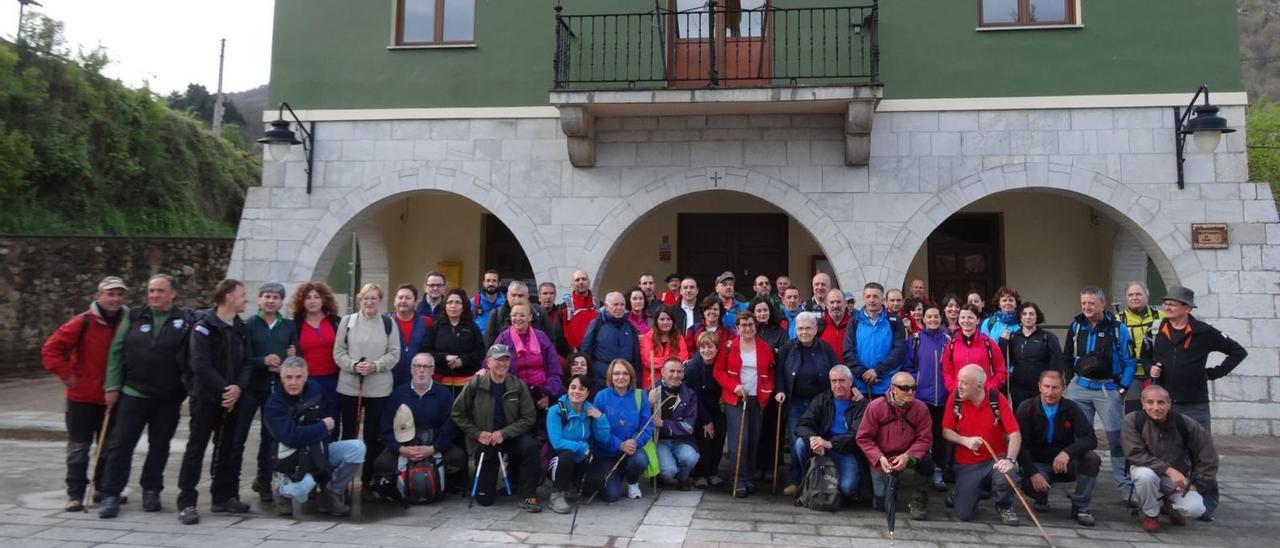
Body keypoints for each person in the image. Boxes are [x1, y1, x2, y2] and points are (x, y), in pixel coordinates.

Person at [1147, 285, 1245, 521]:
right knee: (1168, 451)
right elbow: (1146, 353)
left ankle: (1207, 503)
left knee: (1201, 452)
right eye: (1166, 303)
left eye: (1172, 303)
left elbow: (1237, 352)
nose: (1167, 307)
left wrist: (1213, 373)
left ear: (1187, 308)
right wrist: (1152, 367)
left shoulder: (1204, 332)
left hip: (1194, 402)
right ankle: (1170, 499)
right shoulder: (1158, 329)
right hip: (1167, 403)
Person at [98, 275, 192, 519]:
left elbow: (191, 358)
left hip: (168, 397)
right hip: (133, 392)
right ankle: (111, 494)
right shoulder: (134, 316)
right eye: (151, 291)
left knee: (159, 446)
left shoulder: (184, 320)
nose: (154, 295)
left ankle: (151, 490)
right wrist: (111, 386)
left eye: (160, 291)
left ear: (172, 294)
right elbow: (116, 351)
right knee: (120, 445)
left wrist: (183, 388)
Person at [42, 276, 128, 512]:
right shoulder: (83, 322)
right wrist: (67, 375)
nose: (115, 299)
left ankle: (103, 488)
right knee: (79, 447)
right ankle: (75, 494)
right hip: (81, 397)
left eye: (119, 294)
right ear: (99, 296)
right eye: (110, 294)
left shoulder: (127, 321)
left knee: (108, 446)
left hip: (112, 396)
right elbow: (51, 349)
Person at [177, 279, 253, 525]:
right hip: (207, 399)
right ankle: (187, 502)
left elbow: (248, 362)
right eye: (242, 294)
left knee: (228, 448)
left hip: (233, 400)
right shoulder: (203, 327)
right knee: (196, 449)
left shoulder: (241, 327)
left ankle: (223, 497)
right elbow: (200, 365)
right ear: (229, 296)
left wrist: (238, 388)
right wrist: (225, 390)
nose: (246, 299)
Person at [264, 356, 365, 517]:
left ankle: (331, 493)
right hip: (291, 458)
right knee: (305, 486)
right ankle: (282, 490)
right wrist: (322, 427)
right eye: (288, 377)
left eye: (298, 377)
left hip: (318, 449)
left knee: (357, 448)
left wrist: (323, 435)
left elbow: (329, 414)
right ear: (281, 378)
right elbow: (292, 437)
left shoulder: (315, 389)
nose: (293, 382)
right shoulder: (274, 404)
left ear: (306, 377)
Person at [1063, 286, 1137, 499]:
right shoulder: (1076, 326)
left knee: (1116, 438)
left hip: (1108, 389)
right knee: (1079, 437)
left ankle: (1125, 486)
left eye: (1091, 303)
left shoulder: (1118, 329)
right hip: (1080, 388)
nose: (1086, 307)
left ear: (1102, 304)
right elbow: (1067, 356)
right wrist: (1069, 382)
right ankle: (1080, 482)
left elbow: (1130, 361)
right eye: (1083, 303)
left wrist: (1123, 387)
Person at [451, 345, 542, 512]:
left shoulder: (517, 385)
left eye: (506, 359)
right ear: (488, 362)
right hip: (486, 441)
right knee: (485, 500)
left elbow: (529, 418)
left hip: (511, 437)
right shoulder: (475, 384)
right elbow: (457, 413)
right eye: (498, 359)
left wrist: (505, 433)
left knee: (530, 446)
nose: (502, 363)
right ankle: (494, 486)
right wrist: (477, 434)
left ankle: (528, 495)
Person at [1122, 385, 1218, 533]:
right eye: (1150, 402)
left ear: (1169, 404)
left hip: (1177, 479)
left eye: (1161, 402)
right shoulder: (1133, 420)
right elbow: (1135, 453)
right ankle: (1151, 514)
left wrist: (1196, 483)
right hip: (1146, 470)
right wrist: (1168, 469)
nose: (1156, 407)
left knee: (1196, 509)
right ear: (1142, 403)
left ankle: (1171, 507)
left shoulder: (1185, 423)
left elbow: (1208, 455)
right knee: (1145, 476)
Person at [333, 282, 400, 490]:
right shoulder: (348, 322)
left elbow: (394, 353)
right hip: (350, 387)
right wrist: (354, 365)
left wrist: (375, 366)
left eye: (374, 298)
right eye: (365, 298)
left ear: (380, 301)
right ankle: (342, 481)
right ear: (359, 300)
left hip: (378, 388)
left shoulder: (388, 323)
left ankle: (368, 480)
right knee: (349, 434)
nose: (369, 302)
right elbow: (338, 352)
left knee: (373, 435)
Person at [373, 353, 466, 502]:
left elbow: (449, 427)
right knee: (381, 463)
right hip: (405, 445)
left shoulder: (443, 394)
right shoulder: (398, 394)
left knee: (458, 457)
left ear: (432, 370)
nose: (421, 370)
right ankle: (398, 486)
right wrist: (400, 449)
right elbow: (386, 426)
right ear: (411, 369)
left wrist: (433, 448)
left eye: (426, 367)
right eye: (418, 366)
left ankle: (437, 481)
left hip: (432, 444)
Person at [1014, 370, 1099, 526]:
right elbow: (1020, 445)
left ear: (1063, 388)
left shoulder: (1072, 408)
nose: (1050, 392)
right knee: (1034, 485)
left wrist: (1067, 453)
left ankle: (1081, 507)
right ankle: (1041, 496)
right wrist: (1032, 473)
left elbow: (1090, 438)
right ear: (1039, 386)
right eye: (1046, 386)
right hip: (1037, 463)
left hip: (1064, 464)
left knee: (1092, 458)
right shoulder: (1026, 408)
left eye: (1055, 388)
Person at [942, 364, 1022, 525]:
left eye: (964, 382)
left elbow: (1015, 435)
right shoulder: (955, 398)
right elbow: (946, 431)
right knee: (964, 514)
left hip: (995, 459)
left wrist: (1010, 460)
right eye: (959, 381)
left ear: (979, 386)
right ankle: (974, 491)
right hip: (967, 463)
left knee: (1007, 475)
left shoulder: (996, 399)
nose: (959, 386)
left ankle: (1004, 505)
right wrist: (964, 440)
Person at [242, 282, 298, 504]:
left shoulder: (288, 326)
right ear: (259, 300)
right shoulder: (249, 325)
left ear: (281, 302)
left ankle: (263, 480)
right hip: (251, 388)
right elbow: (243, 357)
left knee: (270, 437)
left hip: (275, 389)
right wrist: (262, 361)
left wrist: (284, 364)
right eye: (266, 296)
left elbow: (295, 356)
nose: (270, 300)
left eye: (275, 297)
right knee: (240, 435)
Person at [775, 311, 840, 495]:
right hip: (795, 402)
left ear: (815, 329)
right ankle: (797, 480)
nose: (804, 332)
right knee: (798, 442)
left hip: (820, 404)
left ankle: (815, 478)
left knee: (818, 440)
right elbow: (780, 372)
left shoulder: (825, 349)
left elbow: (836, 371)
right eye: (800, 328)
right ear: (795, 329)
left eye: (808, 328)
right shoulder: (788, 348)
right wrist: (780, 390)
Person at [857, 371, 934, 520]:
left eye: (913, 387)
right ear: (892, 388)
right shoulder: (875, 407)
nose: (910, 392)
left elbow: (925, 439)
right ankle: (891, 485)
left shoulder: (921, 408)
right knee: (881, 505)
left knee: (927, 462)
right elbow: (863, 438)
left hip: (908, 455)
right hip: (883, 458)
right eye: (905, 388)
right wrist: (879, 457)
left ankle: (918, 501)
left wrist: (908, 456)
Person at [715, 313, 777, 497]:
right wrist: (734, 386)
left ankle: (748, 475)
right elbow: (718, 372)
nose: (747, 328)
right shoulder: (728, 346)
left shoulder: (765, 348)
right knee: (739, 440)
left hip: (757, 398)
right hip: (735, 399)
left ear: (755, 326)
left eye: (750, 325)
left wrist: (768, 390)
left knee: (754, 438)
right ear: (737, 327)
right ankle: (738, 478)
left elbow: (771, 372)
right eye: (743, 325)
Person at [794, 365, 868, 507]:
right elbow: (802, 424)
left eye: (842, 381)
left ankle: (830, 489)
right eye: (834, 381)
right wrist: (813, 439)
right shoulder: (822, 399)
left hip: (846, 450)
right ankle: (809, 482)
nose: (837, 385)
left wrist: (829, 443)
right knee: (800, 444)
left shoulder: (862, 405)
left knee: (848, 489)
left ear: (851, 382)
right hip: (821, 448)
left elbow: (857, 436)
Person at [591, 359, 654, 501]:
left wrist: (635, 442)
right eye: (616, 373)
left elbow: (647, 425)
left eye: (625, 373)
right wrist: (619, 445)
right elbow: (597, 429)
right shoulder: (601, 397)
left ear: (631, 376)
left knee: (641, 460)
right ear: (610, 376)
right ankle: (617, 476)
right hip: (607, 452)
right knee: (611, 496)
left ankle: (632, 481)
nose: (621, 377)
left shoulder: (639, 396)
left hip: (631, 450)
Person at [546, 374, 610, 514]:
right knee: (567, 455)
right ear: (567, 390)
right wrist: (582, 447)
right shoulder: (556, 411)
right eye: (573, 387)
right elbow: (557, 443)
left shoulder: (589, 410)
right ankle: (557, 494)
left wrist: (601, 418)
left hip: (582, 459)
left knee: (599, 483)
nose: (576, 391)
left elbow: (603, 438)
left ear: (587, 393)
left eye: (582, 389)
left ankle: (573, 485)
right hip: (560, 460)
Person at [905, 302, 951, 491]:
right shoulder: (915, 339)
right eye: (929, 316)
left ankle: (938, 470)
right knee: (922, 435)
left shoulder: (948, 340)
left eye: (936, 317)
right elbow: (908, 366)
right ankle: (923, 469)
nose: (932, 320)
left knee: (940, 437)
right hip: (921, 397)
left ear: (941, 319)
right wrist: (917, 381)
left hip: (942, 397)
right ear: (923, 319)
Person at [291, 282, 344, 437]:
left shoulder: (336, 321)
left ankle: (331, 457)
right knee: (308, 421)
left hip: (333, 381)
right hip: (307, 382)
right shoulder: (295, 324)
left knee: (332, 422)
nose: (312, 301)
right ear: (302, 301)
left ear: (324, 300)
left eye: (316, 297)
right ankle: (310, 458)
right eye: (308, 297)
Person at [493, 303, 562, 413]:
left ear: (530, 317)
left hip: (540, 394)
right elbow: (491, 364)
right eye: (514, 315)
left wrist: (547, 393)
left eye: (522, 315)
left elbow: (554, 368)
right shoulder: (503, 338)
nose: (518, 319)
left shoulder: (541, 337)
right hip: (513, 394)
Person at [844, 283, 908, 397]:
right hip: (860, 386)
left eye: (875, 296)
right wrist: (863, 373)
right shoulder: (854, 321)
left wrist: (877, 371)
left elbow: (899, 351)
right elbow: (848, 351)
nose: (872, 300)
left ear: (883, 299)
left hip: (886, 386)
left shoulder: (894, 321)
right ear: (863, 298)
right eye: (868, 296)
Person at [423, 288, 487, 395]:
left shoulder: (472, 327)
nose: (453, 305)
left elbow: (480, 352)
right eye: (450, 302)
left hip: (467, 384)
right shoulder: (436, 326)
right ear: (445, 305)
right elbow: (426, 351)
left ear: (464, 306)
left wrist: (463, 360)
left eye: (458, 302)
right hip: (439, 382)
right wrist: (445, 357)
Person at [650, 358, 700, 490]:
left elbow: (688, 427)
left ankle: (683, 478)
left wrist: (664, 424)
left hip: (682, 440)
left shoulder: (689, 394)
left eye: (679, 372)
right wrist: (649, 404)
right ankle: (662, 474)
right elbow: (641, 420)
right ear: (662, 372)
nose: (676, 375)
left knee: (691, 457)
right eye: (671, 371)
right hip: (659, 441)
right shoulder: (651, 391)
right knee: (669, 471)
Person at [685, 332, 725, 489]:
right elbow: (695, 397)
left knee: (719, 438)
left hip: (718, 406)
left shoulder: (720, 364)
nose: (706, 350)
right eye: (703, 347)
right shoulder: (694, 368)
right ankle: (699, 473)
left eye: (710, 347)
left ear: (717, 349)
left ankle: (713, 471)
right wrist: (706, 421)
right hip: (700, 409)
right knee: (704, 439)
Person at [1007, 302, 1065, 410]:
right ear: (1020, 317)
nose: (1028, 317)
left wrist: (1052, 387)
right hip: (1019, 390)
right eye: (1024, 314)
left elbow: (1057, 364)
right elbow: (1006, 360)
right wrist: (1002, 341)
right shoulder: (1013, 337)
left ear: (1037, 316)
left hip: (1042, 390)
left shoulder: (1048, 337)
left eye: (1031, 314)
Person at [580, 291, 642, 389]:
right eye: (615, 304)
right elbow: (586, 352)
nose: (619, 308)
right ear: (606, 306)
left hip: (625, 381)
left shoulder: (630, 327)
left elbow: (636, 358)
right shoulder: (597, 324)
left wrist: (637, 382)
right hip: (601, 381)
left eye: (622, 304)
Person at [941, 304, 1006, 394]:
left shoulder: (988, 344)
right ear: (959, 320)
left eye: (970, 317)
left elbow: (1001, 370)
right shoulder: (952, 345)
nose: (966, 321)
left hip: (984, 397)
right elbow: (947, 371)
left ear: (977, 320)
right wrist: (954, 388)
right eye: (963, 317)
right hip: (960, 395)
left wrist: (989, 388)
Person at [1119, 281, 1162, 414]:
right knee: (1133, 413)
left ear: (1147, 296)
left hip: (1157, 374)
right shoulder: (1118, 320)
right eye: (1130, 295)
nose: (1134, 297)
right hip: (1131, 375)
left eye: (1138, 294)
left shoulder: (1161, 317)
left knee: (1158, 410)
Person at [389, 283, 434, 389]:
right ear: (395, 301)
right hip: (389, 379)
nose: (403, 301)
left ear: (415, 302)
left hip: (417, 381)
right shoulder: (385, 321)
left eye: (408, 298)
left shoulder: (426, 322)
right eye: (400, 297)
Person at [484, 280, 552, 347]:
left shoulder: (540, 312)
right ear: (507, 296)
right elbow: (488, 344)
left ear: (527, 296)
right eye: (513, 295)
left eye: (520, 296)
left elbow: (550, 342)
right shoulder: (496, 314)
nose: (516, 299)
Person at [639, 308, 689, 389]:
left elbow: (682, 360)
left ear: (673, 321)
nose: (665, 322)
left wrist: (661, 362)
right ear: (656, 321)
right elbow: (648, 360)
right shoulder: (647, 337)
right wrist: (670, 363)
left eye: (668, 319)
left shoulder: (680, 339)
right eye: (662, 319)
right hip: (652, 384)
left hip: (674, 382)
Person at [558, 270, 600, 351]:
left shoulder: (599, 306)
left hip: (595, 357)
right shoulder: (564, 307)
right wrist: (571, 356)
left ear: (589, 282)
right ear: (572, 284)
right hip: (573, 357)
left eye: (583, 279)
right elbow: (559, 336)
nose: (581, 282)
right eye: (577, 280)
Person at [980, 287, 1021, 359]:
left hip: (1018, 367)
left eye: (1011, 300)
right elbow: (983, 347)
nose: (1008, 303)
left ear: (1016, 304)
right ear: (999, 304)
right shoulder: (989, 322)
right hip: (996, 365)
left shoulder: (1022, 322)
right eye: (1004, 300)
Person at [817, 288, 851, 357]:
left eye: (838, 302)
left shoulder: (854, 325)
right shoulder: (819, 325)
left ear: (845, 304)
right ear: (826, 305)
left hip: (849, 367)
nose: (835, 306)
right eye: (832, 302)